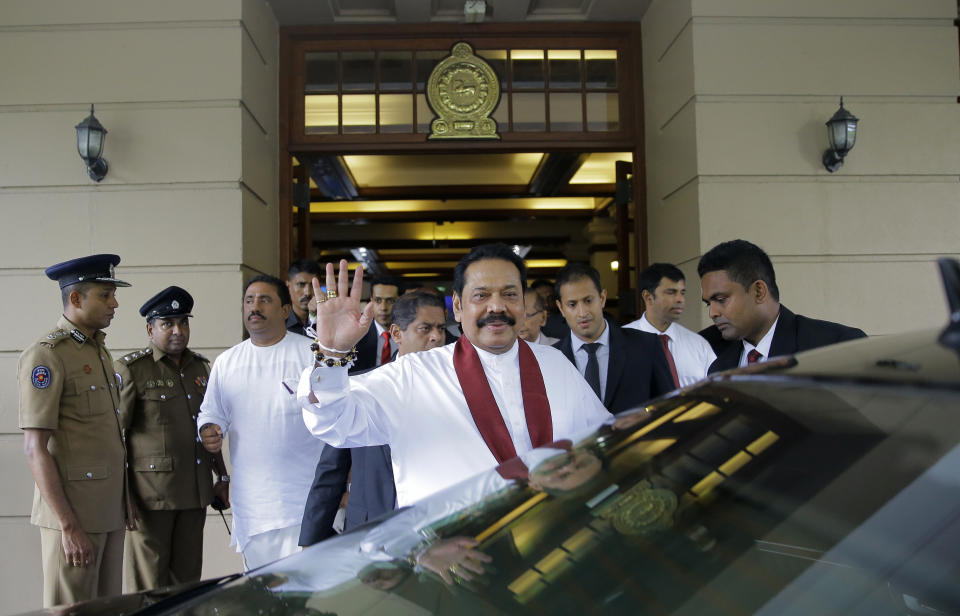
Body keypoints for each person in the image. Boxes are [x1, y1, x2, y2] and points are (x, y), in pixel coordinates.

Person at [298, 243, 612, 507]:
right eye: (481, 296)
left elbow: (603, 441)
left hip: (552, 546)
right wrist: (331, 352)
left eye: (510, 295)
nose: (496, 306)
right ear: (458, 308)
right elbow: (333, 422)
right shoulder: (414, 374)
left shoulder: (554, 364)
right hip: (452, 562)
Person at [18, 254, 133, 607]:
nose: (115, 303)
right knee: (70, 610)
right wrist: (68, 527)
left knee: (107, 608)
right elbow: (35, 448)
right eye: (105, 294)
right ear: (76, 298)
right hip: (75, 518)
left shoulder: (98, 350)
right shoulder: (47, 355)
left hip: (108, 513)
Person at [299, 291, 448, 546]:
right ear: (397, 333)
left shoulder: (454, 392)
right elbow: (331, 469)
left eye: (441, 329)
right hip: (369, 535)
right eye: (425, 328)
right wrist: (310, 541)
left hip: (437, 536)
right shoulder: (364, 388)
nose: (436, 337)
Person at [197, 275, 323, 570]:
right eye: (249, 301)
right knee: (262, 596)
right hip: (253, 505)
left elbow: (338, 423)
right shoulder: (228, 362)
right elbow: (210, 413)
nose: (255, 307)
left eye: (265, 300)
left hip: (304, 500)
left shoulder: (311, 354)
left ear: (285, 310)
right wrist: (209, 430)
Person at [116, 286, 229, 591]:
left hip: (194, 494)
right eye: (168, 324)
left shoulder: (201, 369)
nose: (178, 331)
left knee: (187, 586)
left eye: (183, 322)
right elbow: (116, 438)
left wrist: (223, 476)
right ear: (150, 329)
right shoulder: (132, 370)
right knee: (149, 588)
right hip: (150, 498)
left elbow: (210, 429)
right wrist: (123, 497)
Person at [699, 239, 867, 373]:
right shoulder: (710, 356)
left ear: (759, 292)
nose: (712, 313)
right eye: (708, 304)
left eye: (721, 299)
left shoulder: (837, 347)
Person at [552, 262, 675, 413]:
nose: (582, 312)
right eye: (572, 304)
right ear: (561, 308)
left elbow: (670, 409)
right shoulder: (552, 360)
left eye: (588, 301)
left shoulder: (647, 346)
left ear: (602, 298)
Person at [624, 263, 715, 387]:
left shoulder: (699, 345)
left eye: (682, 292)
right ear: (648, 297)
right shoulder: (622, 342)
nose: (680, 299)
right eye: (671, 292)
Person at [354, 276, 402, 371]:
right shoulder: (357, 336)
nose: (383, 307)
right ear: (371, 301)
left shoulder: (410, 335)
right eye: (378, 300)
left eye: (390, 301)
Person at [286, 259, 321, 337]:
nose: (307, 293)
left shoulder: (326, 322)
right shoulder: (278, 324)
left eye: (313, 285)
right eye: (301, 284)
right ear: (288, 286)